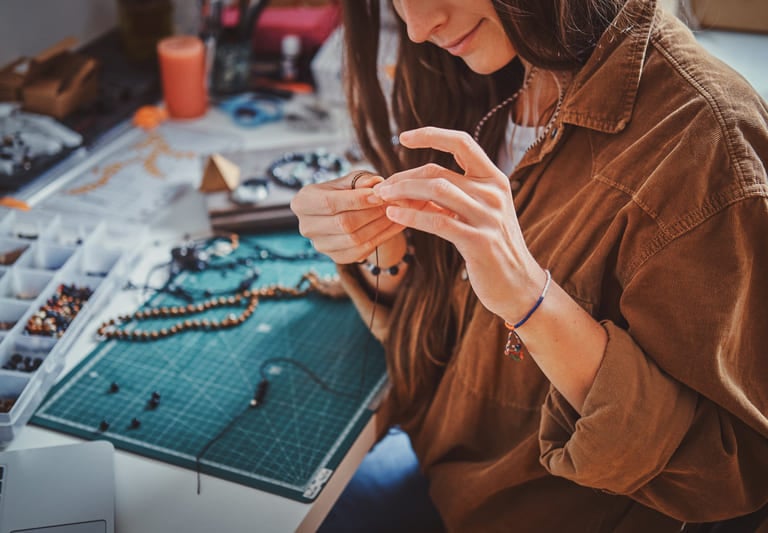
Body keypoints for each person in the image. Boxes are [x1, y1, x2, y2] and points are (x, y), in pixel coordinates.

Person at [290, 0, 768, 531]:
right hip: (444, 479)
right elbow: (454, 344)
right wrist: (382, 242)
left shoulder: (706, 142)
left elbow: (728, 473)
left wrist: (531, 299)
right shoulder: (501, 72)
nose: (419, 28)